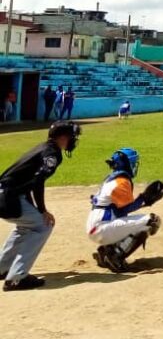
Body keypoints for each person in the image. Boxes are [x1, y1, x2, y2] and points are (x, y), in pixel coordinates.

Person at [0, 121, 81, 291]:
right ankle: (17, 277)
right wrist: (43, 210)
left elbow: (27, 183)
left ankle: (2, 268)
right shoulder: (53, 154)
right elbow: (38, 181)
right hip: (9, 197)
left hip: (7, 195)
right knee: (43, 225)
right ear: (62, 137)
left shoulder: (42, 147)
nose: (72, 140)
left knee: (26, 226)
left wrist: (39, 209)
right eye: (71, 137)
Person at [87, 148, 163, 273]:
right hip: (103, 227)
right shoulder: (122, 182)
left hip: (98, 226)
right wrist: (144, 199)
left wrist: (144, 201)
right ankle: (115, 256)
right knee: (151, 221)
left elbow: (120, 212)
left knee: (133, 223)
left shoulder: (112, 179)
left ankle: (106, 251)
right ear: (126, 163)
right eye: (133, 162)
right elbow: (125, 209)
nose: (135, 166)